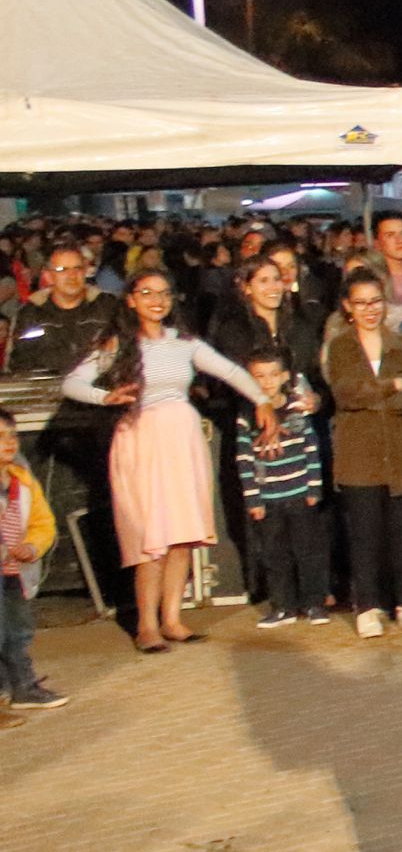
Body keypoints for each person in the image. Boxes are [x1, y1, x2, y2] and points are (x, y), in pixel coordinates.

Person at [60, 269, 274, 652]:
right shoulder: (119, 343)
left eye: (163, 293)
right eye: (147, 293)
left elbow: (228, 370)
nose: (157, 301)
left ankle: (172, 619)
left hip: (182, 438)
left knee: (182, 534)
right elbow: (72, 383)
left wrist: (261, 400)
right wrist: (104, 397)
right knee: (151, 538)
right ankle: (147, 625)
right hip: (142, 440)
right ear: (131, 300)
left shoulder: (184, 342)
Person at [11, 243, 127, 613]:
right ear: (48, 275)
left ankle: (118, 588)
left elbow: (126, 352)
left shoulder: (108, 307)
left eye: (77, 268)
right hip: (48, 425)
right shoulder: (30, 314)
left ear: (87, 270)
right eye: (62, 271)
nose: (71, 277)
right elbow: (20, 363)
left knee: (112, 504)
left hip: (105, 419)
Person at [323, 268, 402, 637]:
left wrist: (379, 394)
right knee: (364, 534)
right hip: (359, 453)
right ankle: (367, 606)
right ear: (347, 306)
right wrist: (391, 386)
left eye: (376, 301)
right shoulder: (341, 346)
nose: (370, 309)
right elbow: (346, 393)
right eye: (361, 303)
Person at [233, 348, 334, 627]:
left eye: (273, 375)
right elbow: (244, 459)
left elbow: (311, 448)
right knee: (274, 555)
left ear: (285, 377)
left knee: (308, 551)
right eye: (259, 376)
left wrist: (314, 488)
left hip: (300, 494)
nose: (267, 382)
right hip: (269, 498)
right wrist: (253, 499)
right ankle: (283, 607)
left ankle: (314, 604)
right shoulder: (247, 415)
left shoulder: (296, 408)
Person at [0, 417, 66, 711]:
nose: (9, 442)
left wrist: (32, 546)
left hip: (13, 572)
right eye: (0, 436)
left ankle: (22, 687)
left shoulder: (22, 481)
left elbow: (42, 522)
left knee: (18, 631)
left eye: (12, 435)